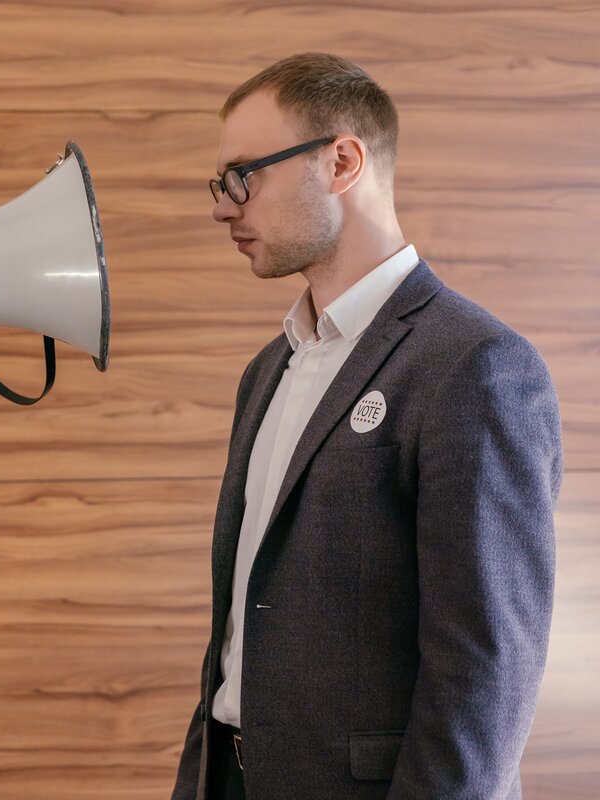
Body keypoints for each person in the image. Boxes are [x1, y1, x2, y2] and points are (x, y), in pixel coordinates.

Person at [171, 54, 562, 800]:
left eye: (243, 175)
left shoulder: (476, 366)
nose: (225, 207)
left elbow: (486, 673)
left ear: (342, 162)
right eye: (221, 184)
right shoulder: (268, 370)